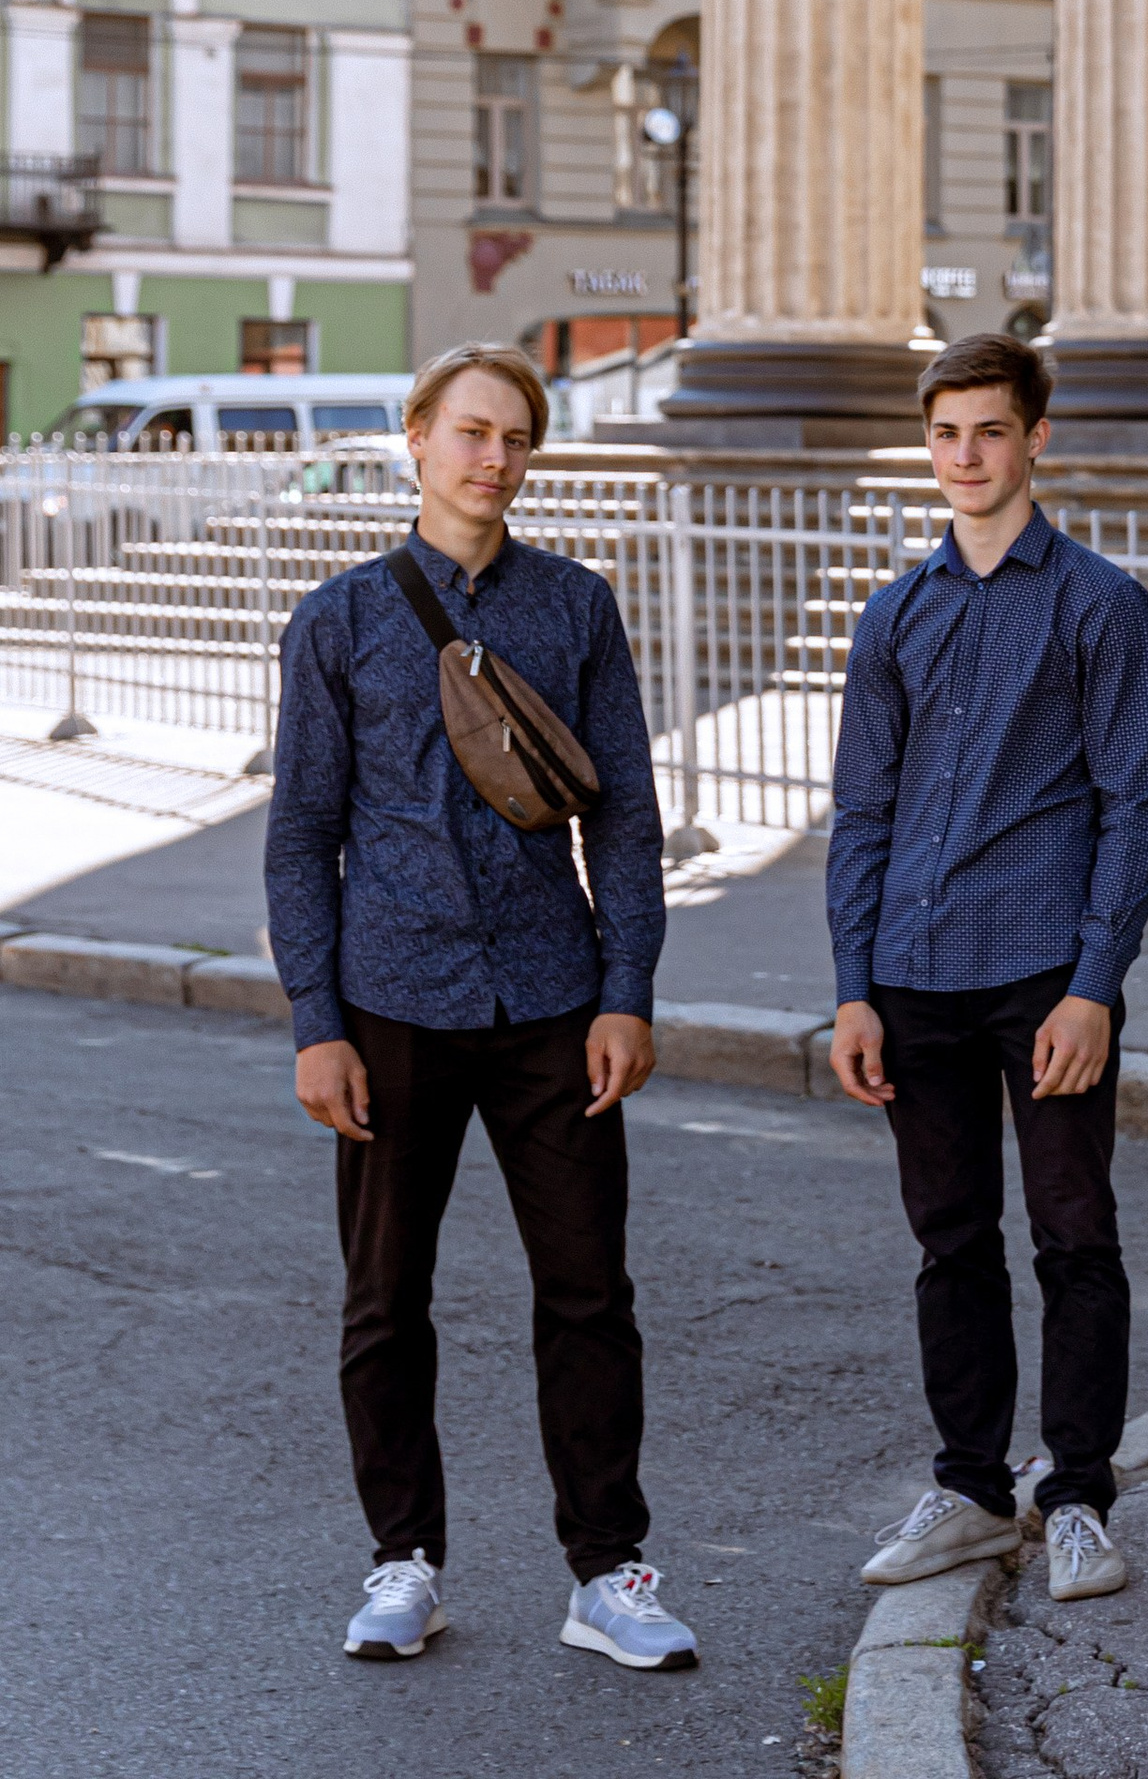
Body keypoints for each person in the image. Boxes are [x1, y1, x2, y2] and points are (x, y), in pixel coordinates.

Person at [264, 342, 697, 1674]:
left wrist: (626, 992)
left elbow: (624, 816)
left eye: (513, 437)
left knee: (587, 1294)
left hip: (550, 1002)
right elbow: (301, 835)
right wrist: (315, 1021)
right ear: (414, 439)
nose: (489, 457)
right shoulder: (338, 620)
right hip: (389, 1003)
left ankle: (606, 1571)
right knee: (384, 1297)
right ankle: (404, 1561)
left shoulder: (576, 607)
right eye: (467, 431)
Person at [829, 331, 1148, 1605]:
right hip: (914, 971)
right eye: (944, 433)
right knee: (949, 1239)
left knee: (1075, 1233)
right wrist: (853, 984)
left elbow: (1135, 806)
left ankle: (1076, 1493)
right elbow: (861, 810)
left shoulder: (1097, 602)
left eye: (988, 430)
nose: (964, 456)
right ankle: (970, 1490)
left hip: (1043, 972)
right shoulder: (895, 612)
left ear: (1037, 437)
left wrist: (1093, 984)